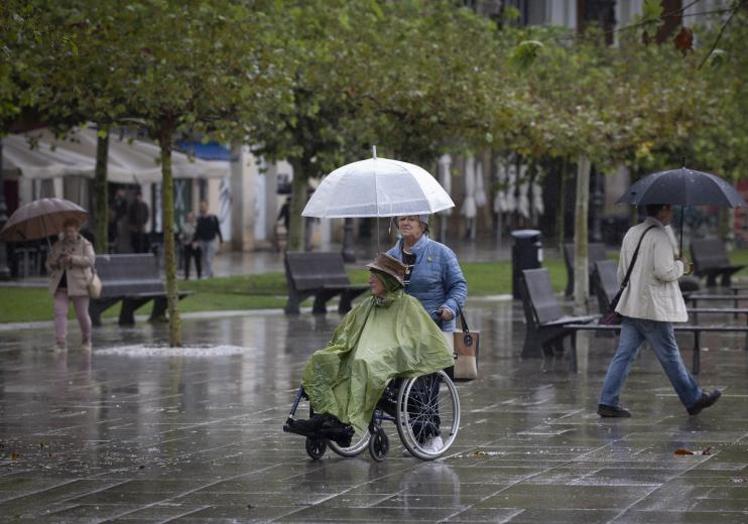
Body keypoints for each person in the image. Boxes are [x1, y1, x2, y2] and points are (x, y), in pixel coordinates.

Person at [287, 253, 454, 451]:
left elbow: (419, 340)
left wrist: (386, 350)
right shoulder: (368, 304)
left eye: (374, 276)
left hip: (386, 359)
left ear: (388, 280)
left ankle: (343, 423)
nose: (369, 280)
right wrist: (339, 349)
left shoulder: (408, 306)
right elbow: (346, 331)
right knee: (322, 360)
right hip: (359, 353)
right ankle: (325, 416)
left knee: (363, 363)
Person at [598, 203, 721, 418]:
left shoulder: (632, 232)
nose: (672, 213)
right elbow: (664, 271)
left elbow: (621, 272)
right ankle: (693, 399)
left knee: (624, 355)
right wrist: (682, 265)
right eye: (670, 209)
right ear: (662, 210)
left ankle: (607, 401)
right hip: (653, 308)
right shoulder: (660, 236)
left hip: (631, 305)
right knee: (670, 354)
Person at [386, 215, 467, 334]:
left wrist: (450, 308)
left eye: (411, 219)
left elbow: (459, 286)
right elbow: (384, 292)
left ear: (423, 225)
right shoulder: (389, 257)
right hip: (400, 331)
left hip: (435, 329)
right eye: (402, 219)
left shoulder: (442, 252)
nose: (405, 223)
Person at [46, 218, 95, 351]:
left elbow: (90, 261)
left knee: (82, 315)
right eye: (66, 231)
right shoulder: (58, 245)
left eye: (71, 231)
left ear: (77, 230)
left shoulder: (86, 244)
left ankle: (86, 340)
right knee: (59, 312)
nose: (69, 234)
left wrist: (72, 259)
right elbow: (49, 265)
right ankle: (60, 342)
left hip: (80, 285)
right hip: (61, 285)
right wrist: (56, 261)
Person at [194, 201, 223, 278]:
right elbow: (198, 230)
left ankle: (210, 273)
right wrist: (195, 240)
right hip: (202, 240)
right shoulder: (199, 219)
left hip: (211, 240)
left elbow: (217, 229)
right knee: (204, 257)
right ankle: (207, 272)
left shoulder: (213, 218)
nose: (202, 208)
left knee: (208, 258)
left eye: (203, 206)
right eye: (201, 206)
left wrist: (221, 239)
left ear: (207, 207)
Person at [180, 212, 201, 280]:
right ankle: (186, 276)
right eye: (188, 217)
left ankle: (199, 275)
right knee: (187, 261)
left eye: (191, 217)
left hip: (196, 245)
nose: (190, 218)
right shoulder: (185, 226)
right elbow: (182, 234)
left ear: (194, 218)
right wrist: (181, 238)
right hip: (188, 245)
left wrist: (197, 242)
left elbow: (200, 235)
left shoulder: (197, 225)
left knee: (197, 261)